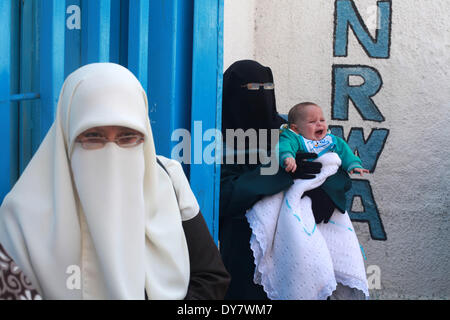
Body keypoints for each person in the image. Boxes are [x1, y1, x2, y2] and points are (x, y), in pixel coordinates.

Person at [0, 63, 230, 300]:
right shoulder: (19, 218)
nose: (111, 154)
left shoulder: (168, 180)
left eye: (127, 137)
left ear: (145, 136)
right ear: (67, 135)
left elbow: (211, 276)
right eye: (92, 136)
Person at [219, 60, 323, 299]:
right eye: (251, 89)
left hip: (296, 243)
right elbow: (225, 195)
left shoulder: (289, 131)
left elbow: (328, 165)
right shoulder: (216, 138)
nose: (260, 96)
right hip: (242, 248)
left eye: (265, 87)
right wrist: (280, 173)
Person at [280, 102, 369, 177]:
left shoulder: (329, 140)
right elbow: (284, 145)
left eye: (322, 120)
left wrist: (353, 165)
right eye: (312, 122)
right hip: (299, 174)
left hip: (325, 176)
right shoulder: (294, 137)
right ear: (296, 129)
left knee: (333, 158)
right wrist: (287, 156)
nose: (319, 124)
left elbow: (345, 152)